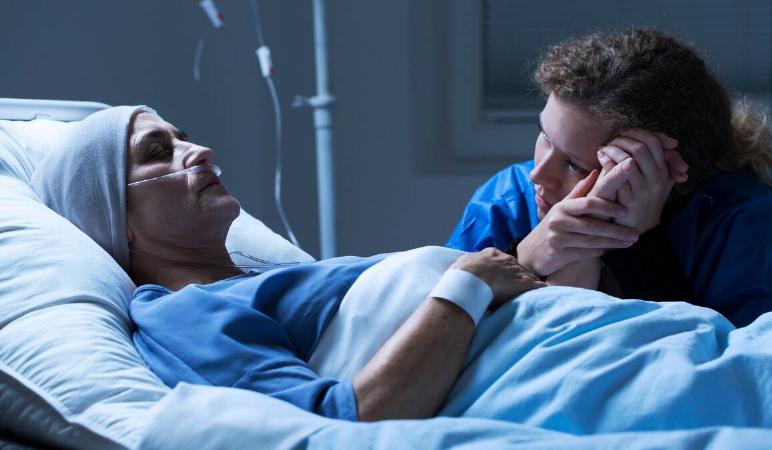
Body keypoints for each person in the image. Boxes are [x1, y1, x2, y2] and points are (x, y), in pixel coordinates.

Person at [31, 105, 555, 422]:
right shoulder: (178, 315)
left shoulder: (270, 282)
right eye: (156, 151)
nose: (199, 151)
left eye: (182, 137)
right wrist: (465, 287)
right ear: (114, 219)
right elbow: (336, 423)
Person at [447, 29, 772, 327]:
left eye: (575, 165)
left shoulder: (744, 227)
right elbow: (433, 335)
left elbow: (733, 386)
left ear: (659, 172)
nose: (539, 175)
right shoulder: (505, 200)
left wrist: (642, 242)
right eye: (544, 136)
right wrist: (523, 258)